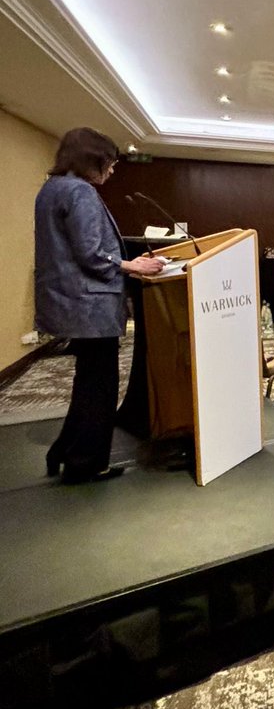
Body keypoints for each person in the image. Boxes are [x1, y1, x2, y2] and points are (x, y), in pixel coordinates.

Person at [36, 127, 164, 483]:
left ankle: (64, 451)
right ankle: (86, 463)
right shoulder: (79, 192)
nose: (111, 171)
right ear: (91, 160)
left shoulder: (51, 189)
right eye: (108, 164)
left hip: (69, 303)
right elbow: (91, 254)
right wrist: (131, 265)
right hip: (90, 305)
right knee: (100, 388)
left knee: (88, 382)